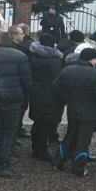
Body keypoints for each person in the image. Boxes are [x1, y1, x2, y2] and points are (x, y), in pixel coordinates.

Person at [53, 48, 96, 177]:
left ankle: (58, 162)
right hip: (89, 112)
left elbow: (56, 87)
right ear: (92, 59)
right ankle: (78, 168)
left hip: (72, 109)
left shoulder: (67, 70)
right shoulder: (95, 74)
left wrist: (66, 99)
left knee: (70, 134)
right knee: (83, 139)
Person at [0, 29, 32, 179]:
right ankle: (3, 164)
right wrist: (26, 95)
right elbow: (26, 80)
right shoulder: (20, 56)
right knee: (10, 130)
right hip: (12, 97)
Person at [28, 34, 64, 162]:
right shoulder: (53, 59)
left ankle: (35, 148)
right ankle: (42, 151)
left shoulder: (35, 56)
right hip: (49, 95)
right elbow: (57, 80)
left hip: (37, 92)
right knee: (45, 124)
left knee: (38, 123)